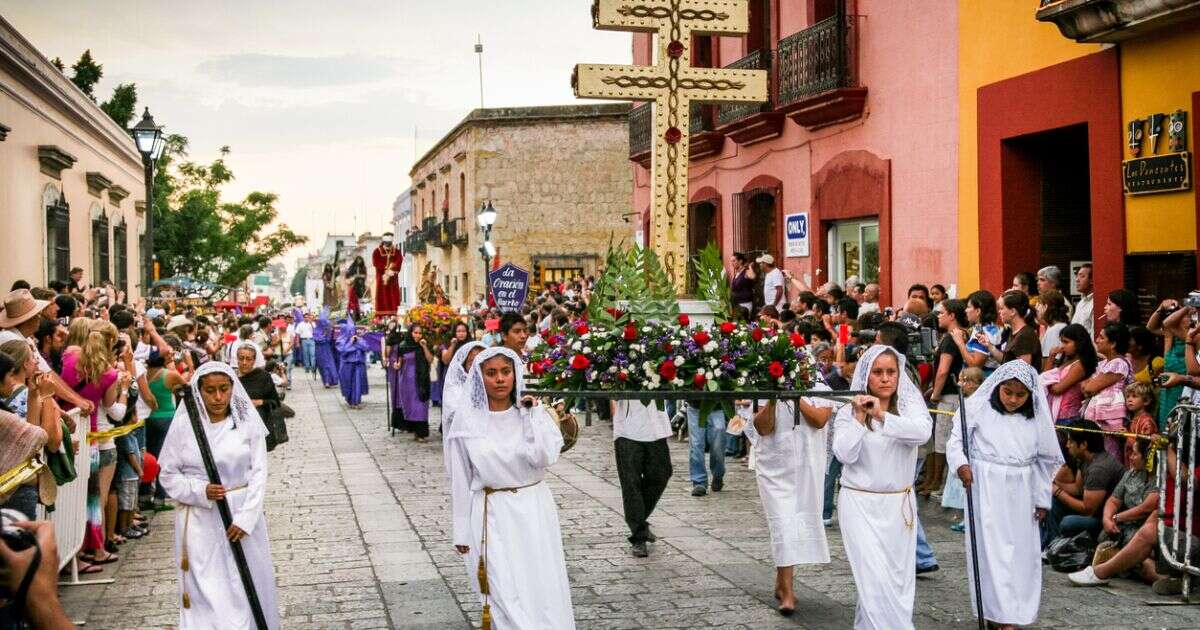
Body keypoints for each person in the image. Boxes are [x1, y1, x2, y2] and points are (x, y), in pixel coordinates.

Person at [445, 347, 574, 629]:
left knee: (540, 585)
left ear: (516, 375)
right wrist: (461, 530)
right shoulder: (466, 424)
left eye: (506, 372)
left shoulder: (534, 415)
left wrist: (530, 418)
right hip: (492, 513)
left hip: (533, 509)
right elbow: (460, 478)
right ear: (479, 378)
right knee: (501, 588)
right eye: (491, 373)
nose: (500, 379)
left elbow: (542, 458)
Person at [158, 362, 280, 629]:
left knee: (245, 589)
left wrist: (247, 518)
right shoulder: (185, 426)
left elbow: (259, 472)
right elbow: (167, 474)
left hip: (241, 516)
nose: (217, 397)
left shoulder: (247, 424)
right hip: (201, 522)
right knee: (210, 592)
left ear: (232, 389)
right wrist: (199, 491)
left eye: (223, 389)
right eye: (210, 390)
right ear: (199, 391)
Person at [947, 361, 1063, 629]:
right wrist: (962, 464)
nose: (1012, 399)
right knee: (992, 553)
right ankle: (999, 615)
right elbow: (957, 440)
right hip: (986, 488)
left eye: (1020, 395)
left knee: (1021, 555)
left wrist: (1042, 498)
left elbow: (1045, 463)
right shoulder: (979, 410)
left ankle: (1012, 610)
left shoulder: (1035, 420)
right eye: (1007, 392)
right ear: (998, 387)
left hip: (1022, 492)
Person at [831, 345, 932, 630]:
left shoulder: (909, 407)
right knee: (873, 580)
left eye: (891, 372)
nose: (885, 378)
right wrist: (860, 419)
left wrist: (882, 417)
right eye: (878, 372)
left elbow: (922, 432)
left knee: (896, 582)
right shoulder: (848, 412)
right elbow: (844, 454)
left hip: (899, 509)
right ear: (866, 376)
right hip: (860, 505)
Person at [745, 389, 835, 616]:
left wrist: (796, 397)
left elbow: (820, 420)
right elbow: (763, 428)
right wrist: (774, 398)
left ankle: (781, 581)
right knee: (783, 523)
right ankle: (787, 591)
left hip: (806, 465)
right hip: (774, 466)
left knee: (794, 523)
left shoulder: (819, 386)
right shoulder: (764, 387)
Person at [1068, 438, 1160, 587]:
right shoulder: (1131, 474)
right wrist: (1107, 518)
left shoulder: (1158, 479)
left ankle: (1120, 567)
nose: (1130, 457)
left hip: (1142, 529)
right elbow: (1113, 500)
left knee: (1069, 524)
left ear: (1147, 458)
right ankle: (1122, 565)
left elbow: (1146, 508)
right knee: (1103, 536)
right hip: (1123, 526)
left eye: (1135, 454)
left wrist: (1117, 517)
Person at [1042, 419, 1125, 545]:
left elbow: (1088, 509)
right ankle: (1054, 546)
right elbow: (1077, 489)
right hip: (1095, 510)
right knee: (1052, 501)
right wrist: (1052, 483)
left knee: (1068, 522)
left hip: (1107, 519)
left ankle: (1062, 547)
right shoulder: (1084, 459)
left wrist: (1058, 491)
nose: (1067, 445)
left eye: (1071, 441)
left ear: (1083, 445)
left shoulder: (1099, 469)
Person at [609, 399, 673, 559]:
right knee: (631, 483)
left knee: (661, 474)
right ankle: (639, 536)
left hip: (656, 426)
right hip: (628, 429)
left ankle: (638, 520)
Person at [920, 299, 967, 496]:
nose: (938, 316)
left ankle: (938, 482)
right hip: (949, 393)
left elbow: (943, 370)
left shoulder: (950, 339)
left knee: (942, 438)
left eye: (942, 313)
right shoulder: (955, 337)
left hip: (949, 394)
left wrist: (936, 392)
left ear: (952, 315)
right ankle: (934, 480)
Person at [1083, 323, 1133, 461]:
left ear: (1113, 344)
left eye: (1101, 337)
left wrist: (1090, 387)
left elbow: (1089, 388)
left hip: (1110, 419)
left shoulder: (1119, 363)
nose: (1097, 340)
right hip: (1099, 420)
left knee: (1109, 455)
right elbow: (1085, 387)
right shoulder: (1105, 363)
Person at [1041, 324, 1096, 425]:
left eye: (1066, 342)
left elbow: (1057, 389)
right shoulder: (1066, 360)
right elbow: (1044, 377)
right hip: (1057, 416)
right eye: (1062, 342)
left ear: (1079, 343)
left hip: (1067, 418)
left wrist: (1046, 384)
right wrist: (1051, 358)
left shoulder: (1080, 365)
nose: (1062, 346)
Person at [387, 325, 432, 441]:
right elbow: (400, 362)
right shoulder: (403, 346)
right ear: (411, 333)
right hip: (407, 381)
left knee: (421, 406)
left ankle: (421, 432)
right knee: (411, 406)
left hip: (421, 379)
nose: (417, 335)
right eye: (415, 333)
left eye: (420, 333)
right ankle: (413, 429)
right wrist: (396, 365)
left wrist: (425, 347)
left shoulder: (424, 344)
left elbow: (430, 360)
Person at [336, 320, 369, 409]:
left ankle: (356, 401)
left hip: (358, 364)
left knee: (357, 383)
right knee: (348, 384)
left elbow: (366, 347)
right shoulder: (341, 340)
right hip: (347, 365)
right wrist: (351, 343)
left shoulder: (359, 339)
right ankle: (350, 400)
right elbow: (343, 351)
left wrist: (358, 341)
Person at [1037, 290, 1071, 372]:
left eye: (1039, 305)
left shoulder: (1055, 330)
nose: (1036, 308)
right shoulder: (1054, 327)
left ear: (1045, 307)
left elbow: (1049, 363)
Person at [373, 233, 403, 316]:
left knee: (393, 297)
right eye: (386, 243)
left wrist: (392, 269)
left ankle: (393, 316)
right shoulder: (377, 252)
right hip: (381, 280)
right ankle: (381, 318)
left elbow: (399, 260)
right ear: (383, 241)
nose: (388, 245)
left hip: (393, 279)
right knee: (382, 297)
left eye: (389, 243)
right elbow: (376, 263)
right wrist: (386, 270)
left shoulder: (397, 251)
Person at [313, 308, 339, 388]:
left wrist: (327, 333)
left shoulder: (328, 329)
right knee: (322, 365)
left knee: (328, 365)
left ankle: (330, 380)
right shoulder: (316, 330)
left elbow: (329, 339)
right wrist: (324, 335)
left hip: (327, 349)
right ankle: (326, 381)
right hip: (319, 350)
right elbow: (317, 339)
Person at [1071, 264, 1095, 335]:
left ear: (1092, 280)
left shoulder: (1095, 303)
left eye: (1082, 276)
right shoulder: (1081, 303)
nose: (1077, 279)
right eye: (1077, 276)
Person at [345, 256, 368, 321]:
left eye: (360, 260)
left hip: (361, 287)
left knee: (361, 303)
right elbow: (348, 278)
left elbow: (364, 276)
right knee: (353, 304)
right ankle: (354, 317)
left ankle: (360, 317)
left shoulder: (363, 268)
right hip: (353, 288)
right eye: (358, 260)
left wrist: (359, 276)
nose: (359, 262)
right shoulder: (352, 268)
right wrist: (354, 277)